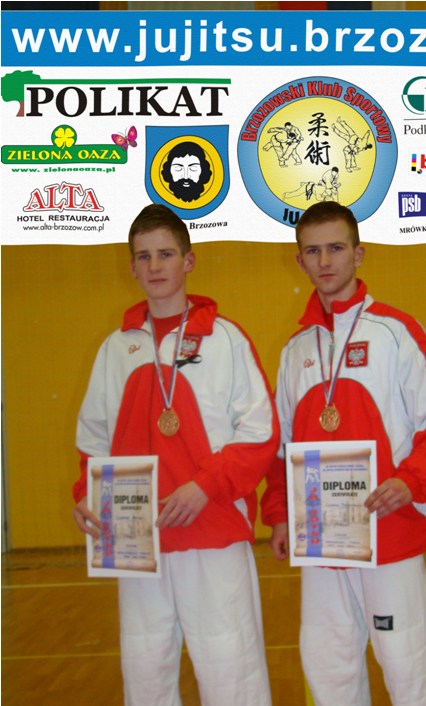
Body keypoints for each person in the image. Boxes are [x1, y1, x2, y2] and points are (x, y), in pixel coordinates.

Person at [72, 203, 279, 706]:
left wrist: (206, 486)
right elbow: (93, 438)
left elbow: (260, 433)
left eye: (165, 254)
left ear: (188, 261)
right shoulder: (116, 349)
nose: (155, 266)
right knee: (147, 673)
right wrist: (86, 495)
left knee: (231, 671)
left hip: (211, 529)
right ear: (131, 267)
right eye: (143, 256)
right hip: (137, 540)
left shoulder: (225, 339)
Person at [261, 201, 426, 706]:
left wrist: (411, 482)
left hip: (389, 530)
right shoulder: (295, 351)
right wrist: (280, 513)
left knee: (407, 666)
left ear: (358, 254)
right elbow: (281, 446)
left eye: (336, 248)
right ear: (299, 261)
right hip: (321, 539)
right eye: (313, 251)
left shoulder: (396, 333)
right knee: (330, 669)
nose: (325, 260)